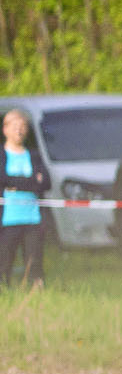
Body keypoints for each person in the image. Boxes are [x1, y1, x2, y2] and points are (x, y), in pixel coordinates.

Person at [1, 108, 51, 289]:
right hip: (7, 219)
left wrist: (15, 184)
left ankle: (37, 293)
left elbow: (46, 182)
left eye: (22, 126)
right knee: (4, 261)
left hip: (32, 218)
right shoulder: (2, 155)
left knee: (34, 262)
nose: (19, 130)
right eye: (15, 126)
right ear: (5, 129)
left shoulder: (34, 155)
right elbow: (2, 179)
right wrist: (31, 181)